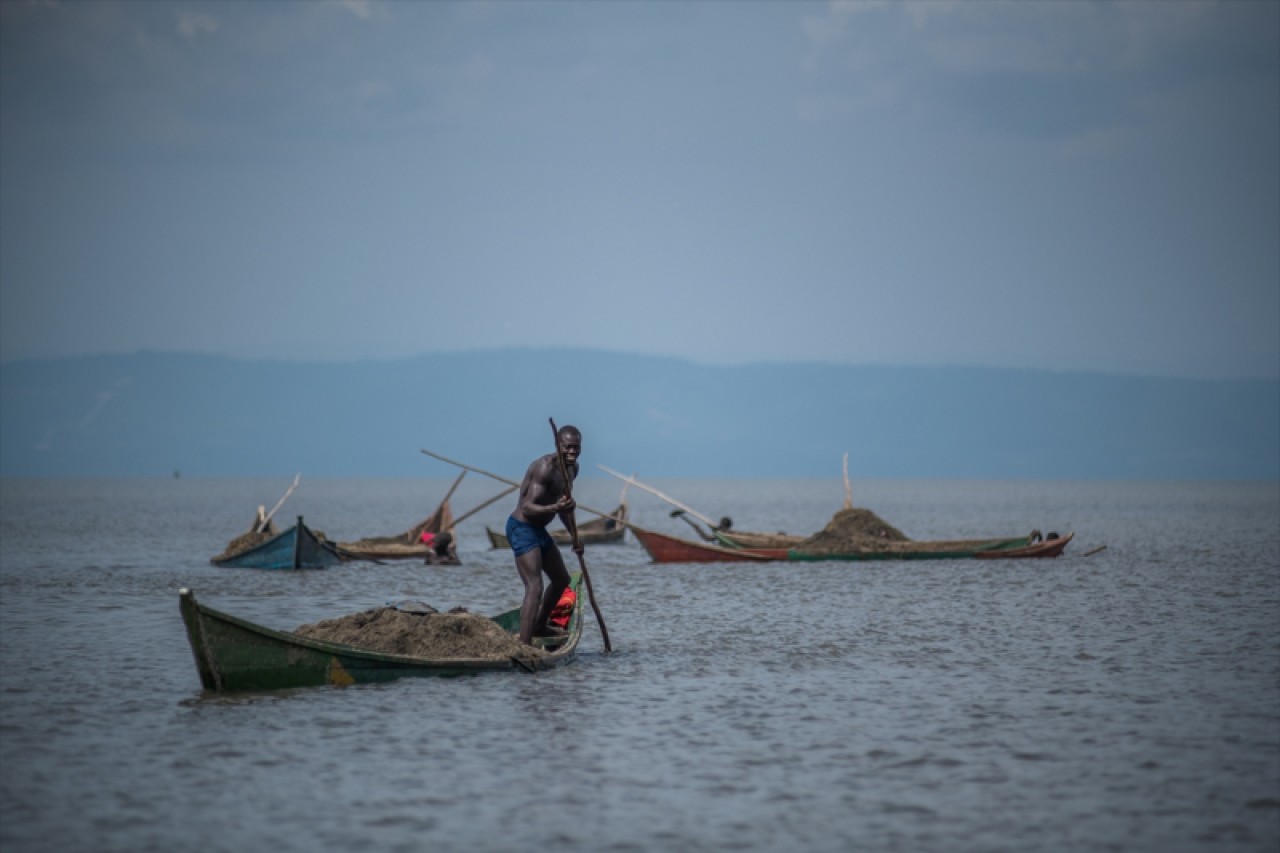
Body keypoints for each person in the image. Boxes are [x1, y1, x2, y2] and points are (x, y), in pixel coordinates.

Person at [506, 424, 582, 645]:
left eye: (576, 448)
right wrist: (554, 508)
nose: (572, 452)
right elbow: (528, 507)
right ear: (558, 445)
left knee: (561, 580)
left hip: (539, 530)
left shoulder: (572, 469)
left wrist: (575, 538)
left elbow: (565, 510)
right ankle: (524, 645)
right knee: (535, 586)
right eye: (567, 447)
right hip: (521, 528)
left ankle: (539, 625)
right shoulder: (544, 468)